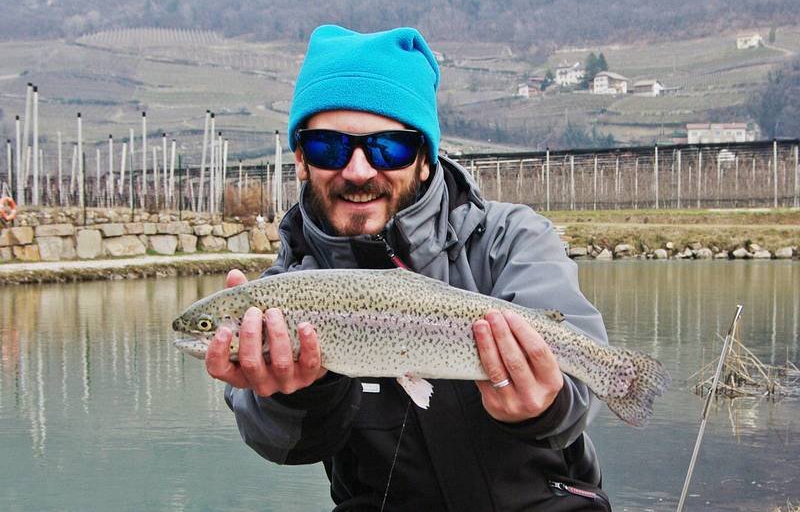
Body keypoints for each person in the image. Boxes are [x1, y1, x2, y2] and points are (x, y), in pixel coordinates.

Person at [206, 25, 610, 511]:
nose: (357, 171)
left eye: (389, 148)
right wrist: (297, 396)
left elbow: (581, 395)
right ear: (300, 159)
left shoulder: (510, 238)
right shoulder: (282, 296)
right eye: (327, 148)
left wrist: (546, 405)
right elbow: (280, 444)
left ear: (424, 159)